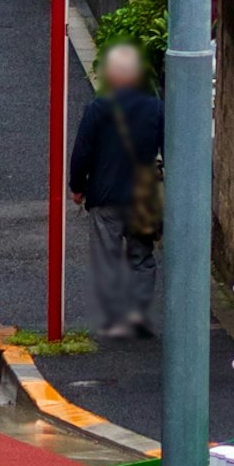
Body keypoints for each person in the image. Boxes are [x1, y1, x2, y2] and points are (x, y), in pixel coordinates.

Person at [68, 40, 166, 340]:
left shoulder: (99, 108)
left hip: (106, 195)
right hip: (142, 197)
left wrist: (78, 186)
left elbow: (82, 151)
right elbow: (169, 148)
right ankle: (137, 315)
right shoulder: (156, 108)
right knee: (142, 257)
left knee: (106, 255)